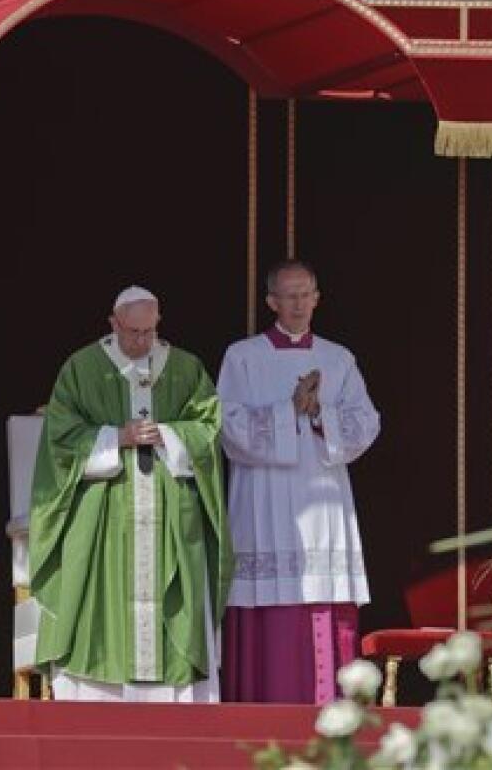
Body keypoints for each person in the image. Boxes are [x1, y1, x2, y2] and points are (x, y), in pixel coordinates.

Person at [29, 286, 233, 702]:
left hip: (170, 511)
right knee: (96, 600)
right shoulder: (82, 369)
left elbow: (210, 428)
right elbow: (60, 438)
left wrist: (171, 434)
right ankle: (96, 696)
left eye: (149, 331)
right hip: (104, 512)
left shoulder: (184, 367)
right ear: (114, 323)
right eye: (133, 331)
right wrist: (114, 437)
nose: (142, 341)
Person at [217, 259, 380, 704]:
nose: (297, 304)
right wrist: (287, 409)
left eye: (305, 294)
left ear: (317, 298)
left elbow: (367, 422)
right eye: (288, 295)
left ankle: (329, 706)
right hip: (262, 495)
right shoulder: (243, 356)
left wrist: (318, 413)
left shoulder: (338, 357)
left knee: (321, 589)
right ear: (271, 301)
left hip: (323, 492)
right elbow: (226, 424)